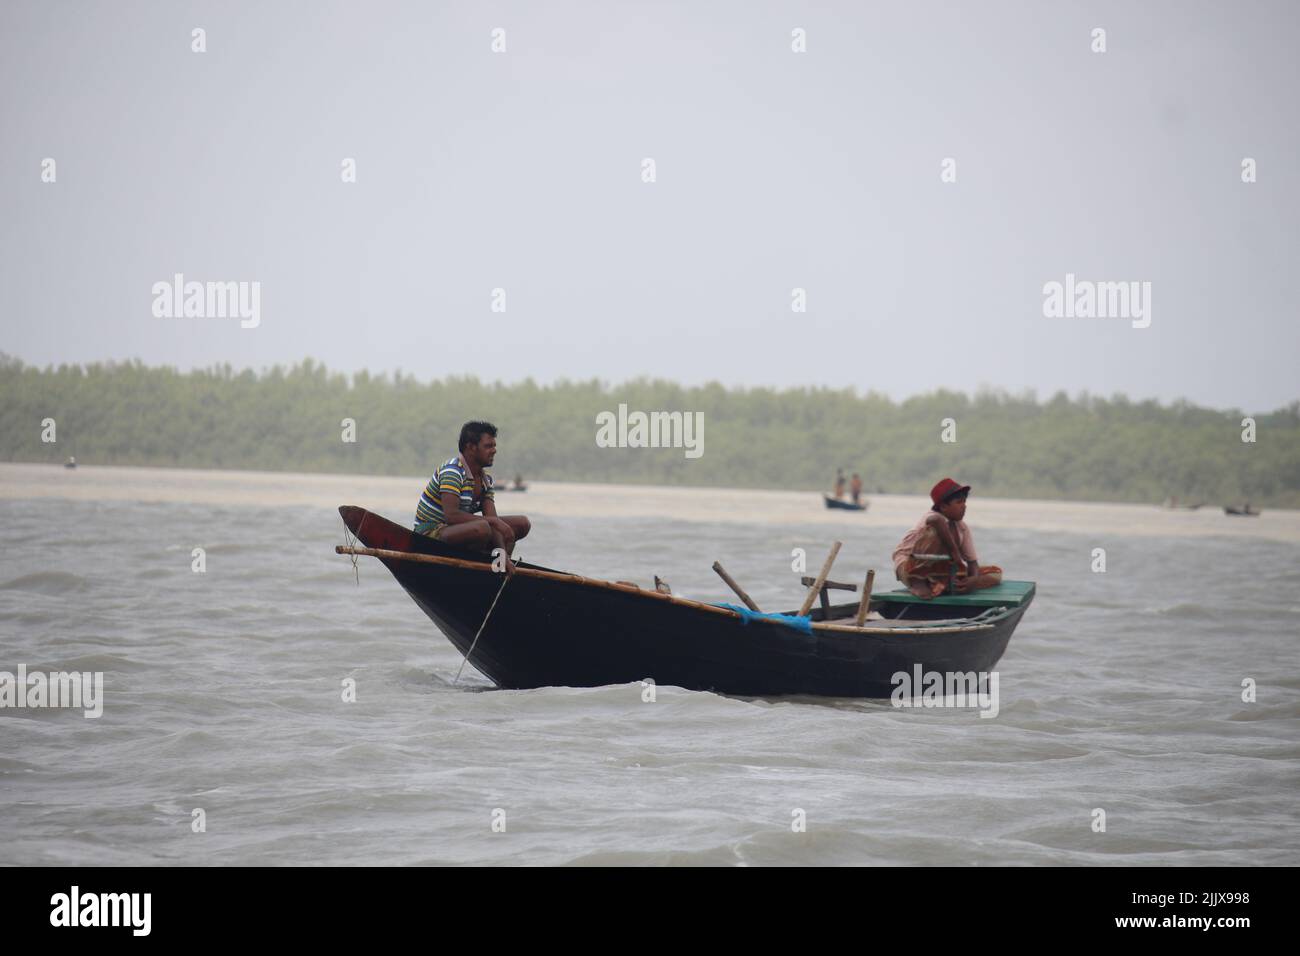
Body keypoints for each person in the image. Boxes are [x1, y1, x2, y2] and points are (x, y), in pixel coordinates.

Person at [413, 421, 531, 557]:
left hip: (457, 530)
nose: (494, 450)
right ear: (471, 447)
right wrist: (494, 522)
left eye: (494, 446)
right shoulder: (453, 471)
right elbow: (451, 516)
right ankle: (474, 559)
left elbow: (492, 520)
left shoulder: (486, 480)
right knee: (482, 528)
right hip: (430, 533)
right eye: (488, 446)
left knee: (522, 523)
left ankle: (492, 564)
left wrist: (503, 555)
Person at [891, 477, 1002, 598]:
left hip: (941, 571)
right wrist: (955, 553)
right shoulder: (932, 518)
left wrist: (972, 581)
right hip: (910, 567)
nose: (964, 506)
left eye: (965, 502)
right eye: (959, 502)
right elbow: (936, 520)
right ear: (943, 506)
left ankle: (942, 585)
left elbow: (973, 563)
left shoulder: (962, 528)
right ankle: (918, 582)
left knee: (995, 575)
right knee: (935, 530)